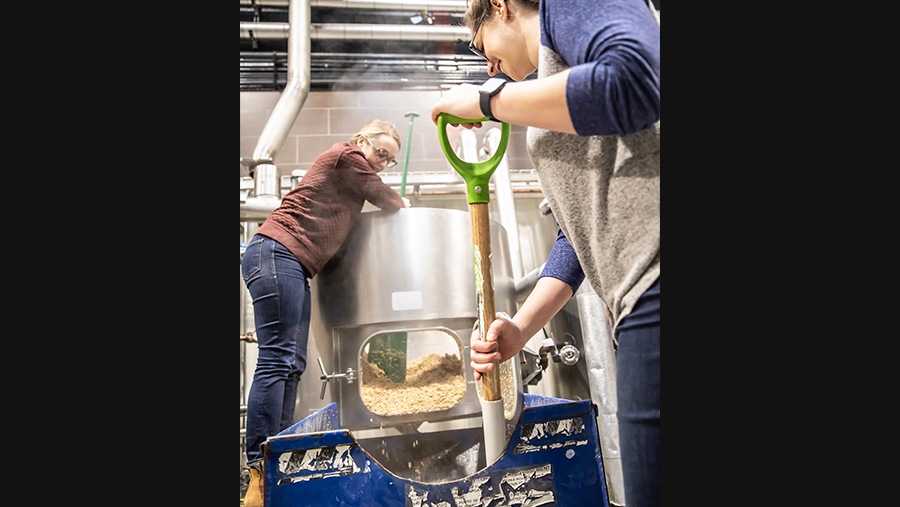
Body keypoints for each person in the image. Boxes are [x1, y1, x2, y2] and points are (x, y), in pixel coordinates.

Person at [429, 0, 659, 506]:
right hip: (639, 299)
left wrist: (491, 99)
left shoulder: (569, 6)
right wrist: (522, 329)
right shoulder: (554, 80)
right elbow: (575, 236)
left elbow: (634, 81)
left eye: (481, 45)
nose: (489, 66)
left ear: (501, 7)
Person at [240, 119, 410, 507]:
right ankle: (258, 467)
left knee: (293, 364)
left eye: (389, 160)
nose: (382, 163)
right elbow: (387, 199)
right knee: (277, 360)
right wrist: (404, 203)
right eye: (381, 153)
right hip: (275, 253)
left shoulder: (353, 166)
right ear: (362, 141)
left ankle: (277, 455)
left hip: (291, 264)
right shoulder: (347, 155)